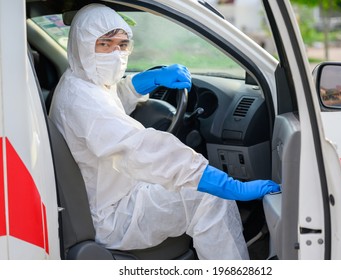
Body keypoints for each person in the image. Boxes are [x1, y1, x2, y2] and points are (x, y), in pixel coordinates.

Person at [49, 3, 280, 260]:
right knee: (210, 198)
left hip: (110, 194)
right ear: (81, 45)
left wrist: (142, 83)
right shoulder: (83, 102)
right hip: (111, 214)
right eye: (104, 44)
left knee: (190, 186)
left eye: (122, 45)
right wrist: (227, 184)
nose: (116, 54)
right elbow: (142, 147)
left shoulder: (78, 82)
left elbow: (109, 108)